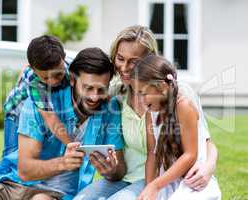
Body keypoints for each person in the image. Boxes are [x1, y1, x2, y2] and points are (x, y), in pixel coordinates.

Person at [0, 48, 126, 200]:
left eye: (101, 89)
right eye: (88, 88)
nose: (95, 97)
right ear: (72, 80)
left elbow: (119, 170)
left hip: (54, 194)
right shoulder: (43, 103)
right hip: (11, 185)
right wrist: (63, 163)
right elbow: (25, 170)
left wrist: (110, 171)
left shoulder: (110, 112)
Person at [74, 25, 220, 200]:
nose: (124, 67)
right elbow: (76, 75)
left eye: (133, 61)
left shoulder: (178, 94)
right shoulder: (115, 94)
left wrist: (208, 167)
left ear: (149, 60)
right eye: (120, 58)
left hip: (162, 177)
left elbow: (205, 143)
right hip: (125, 178)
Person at [131, 54, 221, 200]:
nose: (140, 100)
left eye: (144, 93)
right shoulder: (151, 112)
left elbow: (190, 155)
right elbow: (152, 154)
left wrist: (156, 186)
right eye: (137, 93)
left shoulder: (183, 106)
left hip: (193, 181)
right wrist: (149, 188)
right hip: (168, 180)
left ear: (162, 87)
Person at [3, 35, 72, 156]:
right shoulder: (33, 79)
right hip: (15, 113)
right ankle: (4, 174)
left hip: (40, 110)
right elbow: (50, 118)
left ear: (64, 58)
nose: (53, 81)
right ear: (33, 69)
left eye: (58, 75)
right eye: (45, 78)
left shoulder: (72, 68)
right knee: (12, 153)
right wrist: (72, 145)